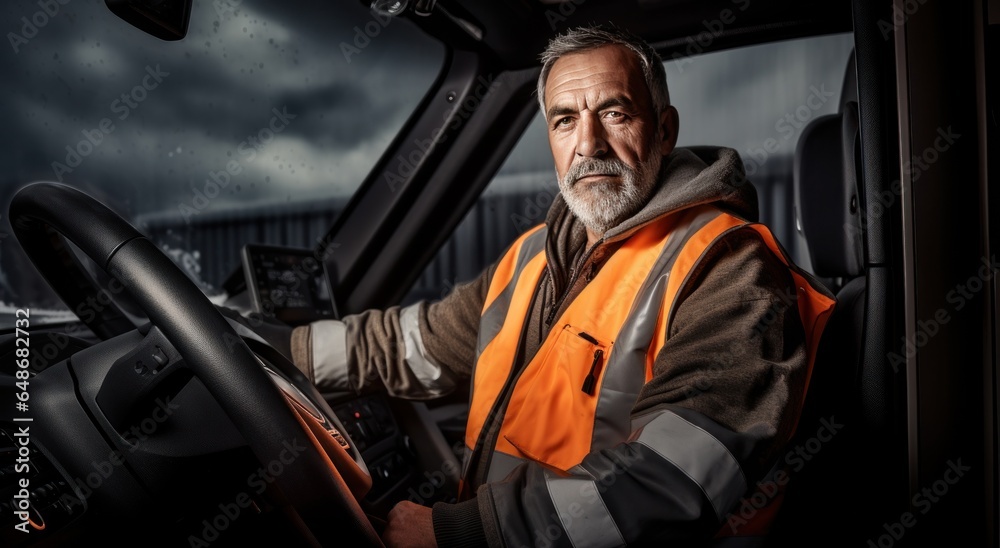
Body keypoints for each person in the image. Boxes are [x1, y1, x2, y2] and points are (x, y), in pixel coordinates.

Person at [283, 25, 835, 547]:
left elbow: (670, 484)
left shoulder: (728, 265)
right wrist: (282, 353)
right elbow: (416, 342)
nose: (588, 143)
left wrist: (464, 534)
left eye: (614, 113)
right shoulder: (534, 256)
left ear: (664, 130)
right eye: (564, 119)